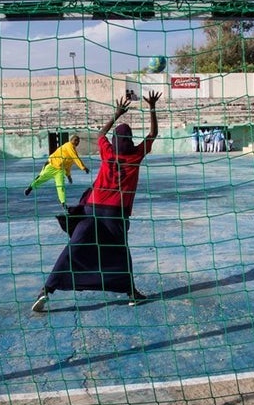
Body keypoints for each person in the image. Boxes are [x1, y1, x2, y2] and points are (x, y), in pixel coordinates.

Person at [31, 90, 161, 312]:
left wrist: (117, 113)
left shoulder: (108, 153)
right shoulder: (135, 156)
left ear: (115, 141)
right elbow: (153, 134)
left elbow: (101, 133)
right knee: (120, 252)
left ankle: (47, 290)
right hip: (114, 213)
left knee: (74, 248)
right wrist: (151, 107)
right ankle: (131, 293)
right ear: (130, 140)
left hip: (91, 208)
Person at [24, 135, 89, 209]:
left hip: (59, 170)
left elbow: (68, 165)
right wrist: (83, 167)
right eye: (76, 140)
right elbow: (76, 158)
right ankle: (30, 188)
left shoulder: (73, 151)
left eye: (78, 141)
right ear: (72, 140)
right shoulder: (68, 145)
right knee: (41, 178)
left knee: (60, 186)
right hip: (51, 165)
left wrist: (68, 176)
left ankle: (63, 203)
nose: (77, 142)